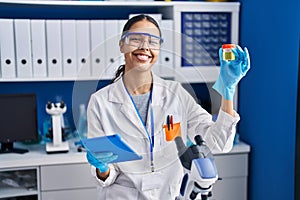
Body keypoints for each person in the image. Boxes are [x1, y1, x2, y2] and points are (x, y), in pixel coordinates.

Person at [86, 14, 250, 200]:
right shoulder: (100, 102)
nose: (145, 47)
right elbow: (107, 177)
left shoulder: (176, 94)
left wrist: (228, 91)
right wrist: (102, 167)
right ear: (122, 45)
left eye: (152, 41)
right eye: (136, 39)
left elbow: (219, 144)